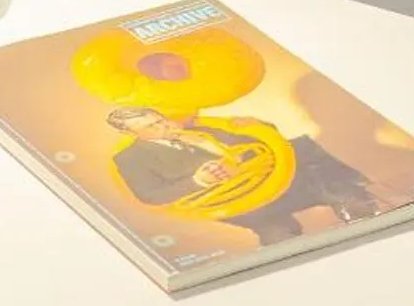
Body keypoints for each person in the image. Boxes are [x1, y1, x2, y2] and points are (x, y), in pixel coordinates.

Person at [105, 105, 389, 247]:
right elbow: (149, 195)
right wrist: (198, 181)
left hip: (277, 182)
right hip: (238, 204)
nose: (162, 126)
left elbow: (267, 141)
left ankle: (357, 207)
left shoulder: (200, 130)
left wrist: (256, 126)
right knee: (277, 234)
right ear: (132, 134)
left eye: (160, 119)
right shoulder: (129, 159)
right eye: (151, 127)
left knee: (312, 166)